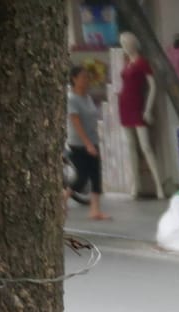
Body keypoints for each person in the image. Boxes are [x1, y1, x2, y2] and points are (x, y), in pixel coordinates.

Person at [66, 65, 109, 222]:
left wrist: (94, 141)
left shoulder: (88, 97)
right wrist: (87, 144)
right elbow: (76, 123)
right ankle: (62, 198)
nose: (86, 80)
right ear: (74, 79)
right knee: (82, 177)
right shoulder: (72, 99)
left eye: (87, 77)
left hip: (93, 140)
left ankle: (95, 210)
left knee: (96, 175)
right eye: (83, 77)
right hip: (78, 143)